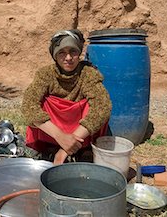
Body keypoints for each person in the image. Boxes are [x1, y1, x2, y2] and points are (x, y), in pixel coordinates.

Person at [21, 29, 112, 165]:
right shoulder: (45, 74)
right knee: (42, 102)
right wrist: (60, 137)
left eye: (73, 52)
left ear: (79, 53)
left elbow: (103, 107)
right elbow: (28, 105)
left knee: (97, 104)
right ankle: (49, 146)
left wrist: (67, 146)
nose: (68, 58)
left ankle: (83, 149)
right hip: (54, 133)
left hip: (79, 135)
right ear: (55, 56)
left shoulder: (88, 74)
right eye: (62, 53)